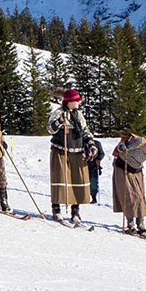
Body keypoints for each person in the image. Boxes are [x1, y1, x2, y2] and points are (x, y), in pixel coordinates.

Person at [47, 88, 92, 221]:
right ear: (69, 101)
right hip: (61, 151)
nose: (79, 102)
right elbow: (50, 129)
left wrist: (91, 143)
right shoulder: (59, 112)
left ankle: (75, 211)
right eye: (76, 100)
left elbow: (85, 131)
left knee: (77, 180)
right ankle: (56, 209)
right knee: (60, 179)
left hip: (77, 152)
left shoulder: (79, 115)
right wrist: (60, 121)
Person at [86, 137, 105, 204]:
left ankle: (94, 197)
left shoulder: (97, 143)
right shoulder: (83, 143)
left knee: (94, 182)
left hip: (94, 166)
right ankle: (85, 197)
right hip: (84, 166)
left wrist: (98, 159)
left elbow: (102, 153)